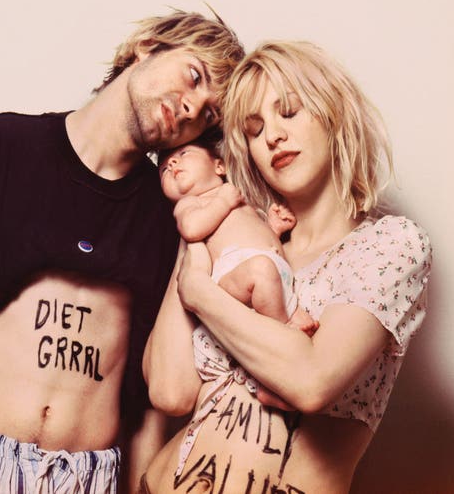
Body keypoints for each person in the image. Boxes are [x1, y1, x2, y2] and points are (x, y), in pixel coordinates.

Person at [0, 10, 244, 494]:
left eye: (205, 115)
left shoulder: (168, 219)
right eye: (194, 76)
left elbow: (145, 405)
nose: (189, 108)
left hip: (89, 478)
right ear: (149, 47)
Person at [141, 40, 433, 494]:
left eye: (289, 112)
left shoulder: (390, 245)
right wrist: (199, 232)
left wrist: (200, 293)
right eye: (254, 131)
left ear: (334, 114)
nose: (273, 136)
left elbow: (311, 380)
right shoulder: (238, 243)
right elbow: (169, 390)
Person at [156, 137, 319, 465]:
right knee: (262, 272)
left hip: (269, 270)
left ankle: (283, 327)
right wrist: (224, 201)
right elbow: (191, 229)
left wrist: (273, 228)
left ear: (220, 166)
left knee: (268, 271)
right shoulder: (192, 205)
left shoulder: (244, 206)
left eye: (183, 155)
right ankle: (278, 353)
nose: (172, 165)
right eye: (164, 168)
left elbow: (260, 240)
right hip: (231, 276)